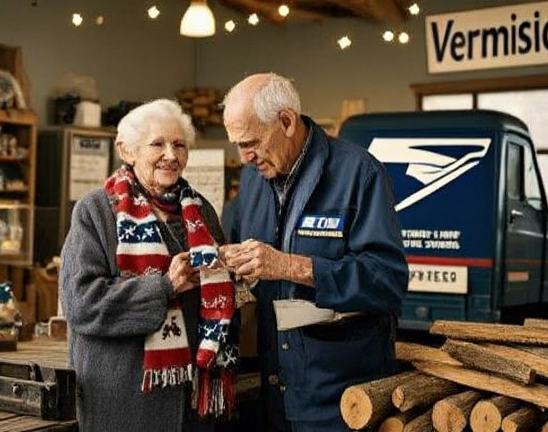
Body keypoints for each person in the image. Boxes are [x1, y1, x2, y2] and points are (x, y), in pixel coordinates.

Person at [219, 73, 409, 431]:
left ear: (286, 121)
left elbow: (387, 280)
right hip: (275, 391)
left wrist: (290, 266)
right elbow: (242, 256)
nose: (243, 157)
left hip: (341, 398)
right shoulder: (253, 180)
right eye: (237, 145)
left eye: (251, 142)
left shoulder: (359, 173)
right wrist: (230, 263)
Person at [60, 99, 238, 431]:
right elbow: (82, 304)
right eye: (158, 144)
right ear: (126, 151)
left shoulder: (201, 212)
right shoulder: (96, 211)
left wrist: (234, 273)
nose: (171, 155)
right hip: (124, 403)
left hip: (191, 401)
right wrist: (164, 287)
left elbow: (218, 294)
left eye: (179, 145)